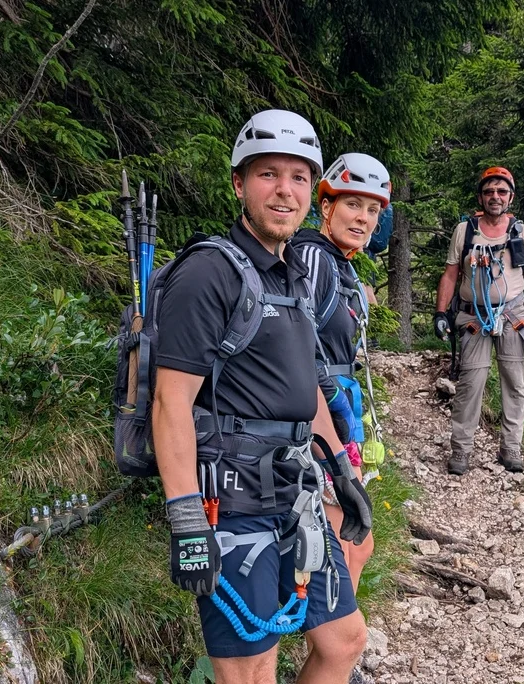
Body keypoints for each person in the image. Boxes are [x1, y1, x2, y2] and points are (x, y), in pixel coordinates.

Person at [152, 110, 372, 683]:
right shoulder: (210, 273)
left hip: (295, 489)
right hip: (233, 504)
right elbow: (170, 403)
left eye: (298, 177)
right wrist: (184, 518)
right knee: (252, 669)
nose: (284, 190)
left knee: (344, 642)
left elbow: (307, 392)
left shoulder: (295, 272)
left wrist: (341, 475)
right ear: (239, 184)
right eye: (268, 174)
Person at [291, 152, 391, 593]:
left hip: (336, 405)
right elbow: (295, 344)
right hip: (316, 414)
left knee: (357, 542)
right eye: (353, 204)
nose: (363, 218)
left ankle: (336, 640)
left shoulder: (337, 263)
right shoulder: (314, 258)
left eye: (372, 210)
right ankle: (338, 641)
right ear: (326, 206)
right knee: (347, 540)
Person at [432, 166, 524, 476]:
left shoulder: (522, 233)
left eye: (501, 192)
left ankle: (511, 448)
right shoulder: (465, 231)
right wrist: (441, 313)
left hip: (512, 313)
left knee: (514, 381)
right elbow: (450, 274)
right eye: (489, 192)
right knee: (471, 383)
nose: (495, 197)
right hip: (473, 314)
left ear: (510, 197)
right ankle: (461, 449)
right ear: (481, 197)